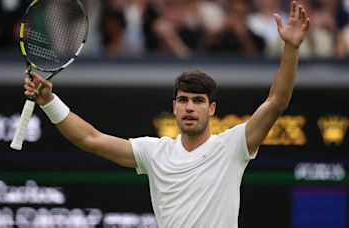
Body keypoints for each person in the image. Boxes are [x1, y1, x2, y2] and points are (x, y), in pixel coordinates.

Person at [23, 1, 310, 227]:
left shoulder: (233, 146)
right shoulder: (154, 152)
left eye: (198, 101)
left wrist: (291, 48)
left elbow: (276, 102)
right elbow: (90, 139)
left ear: (211, 109)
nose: (189, 107)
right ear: (174, 107)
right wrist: (49, 101)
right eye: (183, 100)